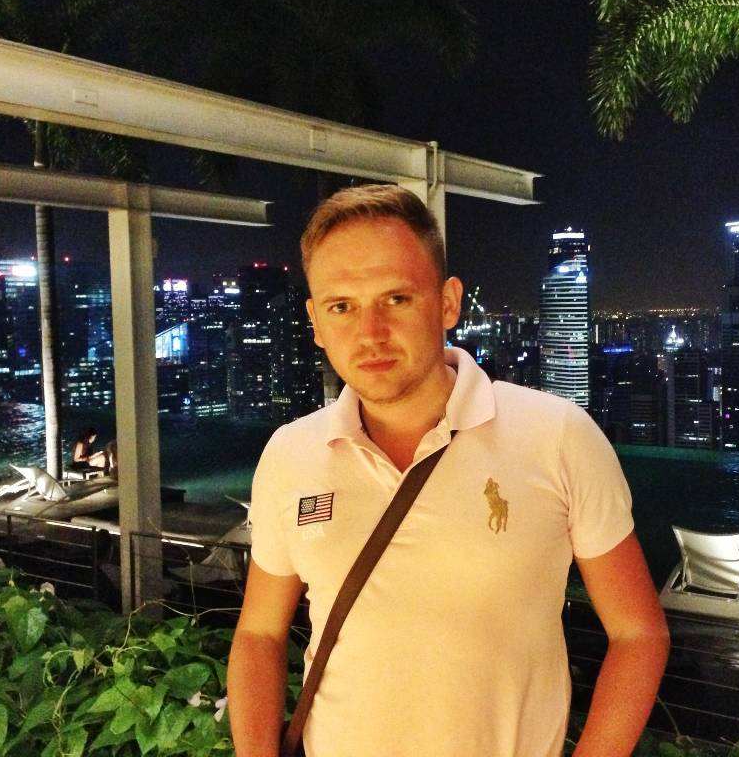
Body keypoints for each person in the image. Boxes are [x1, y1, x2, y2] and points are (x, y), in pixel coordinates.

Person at [227, 185, 669, 756]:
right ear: (314, 321)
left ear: (448, 303)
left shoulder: (555, 435)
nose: (370, 333)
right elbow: (260, 632)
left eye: (397, 299)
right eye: (342, 307)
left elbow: (638, 632)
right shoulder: (291, 454)